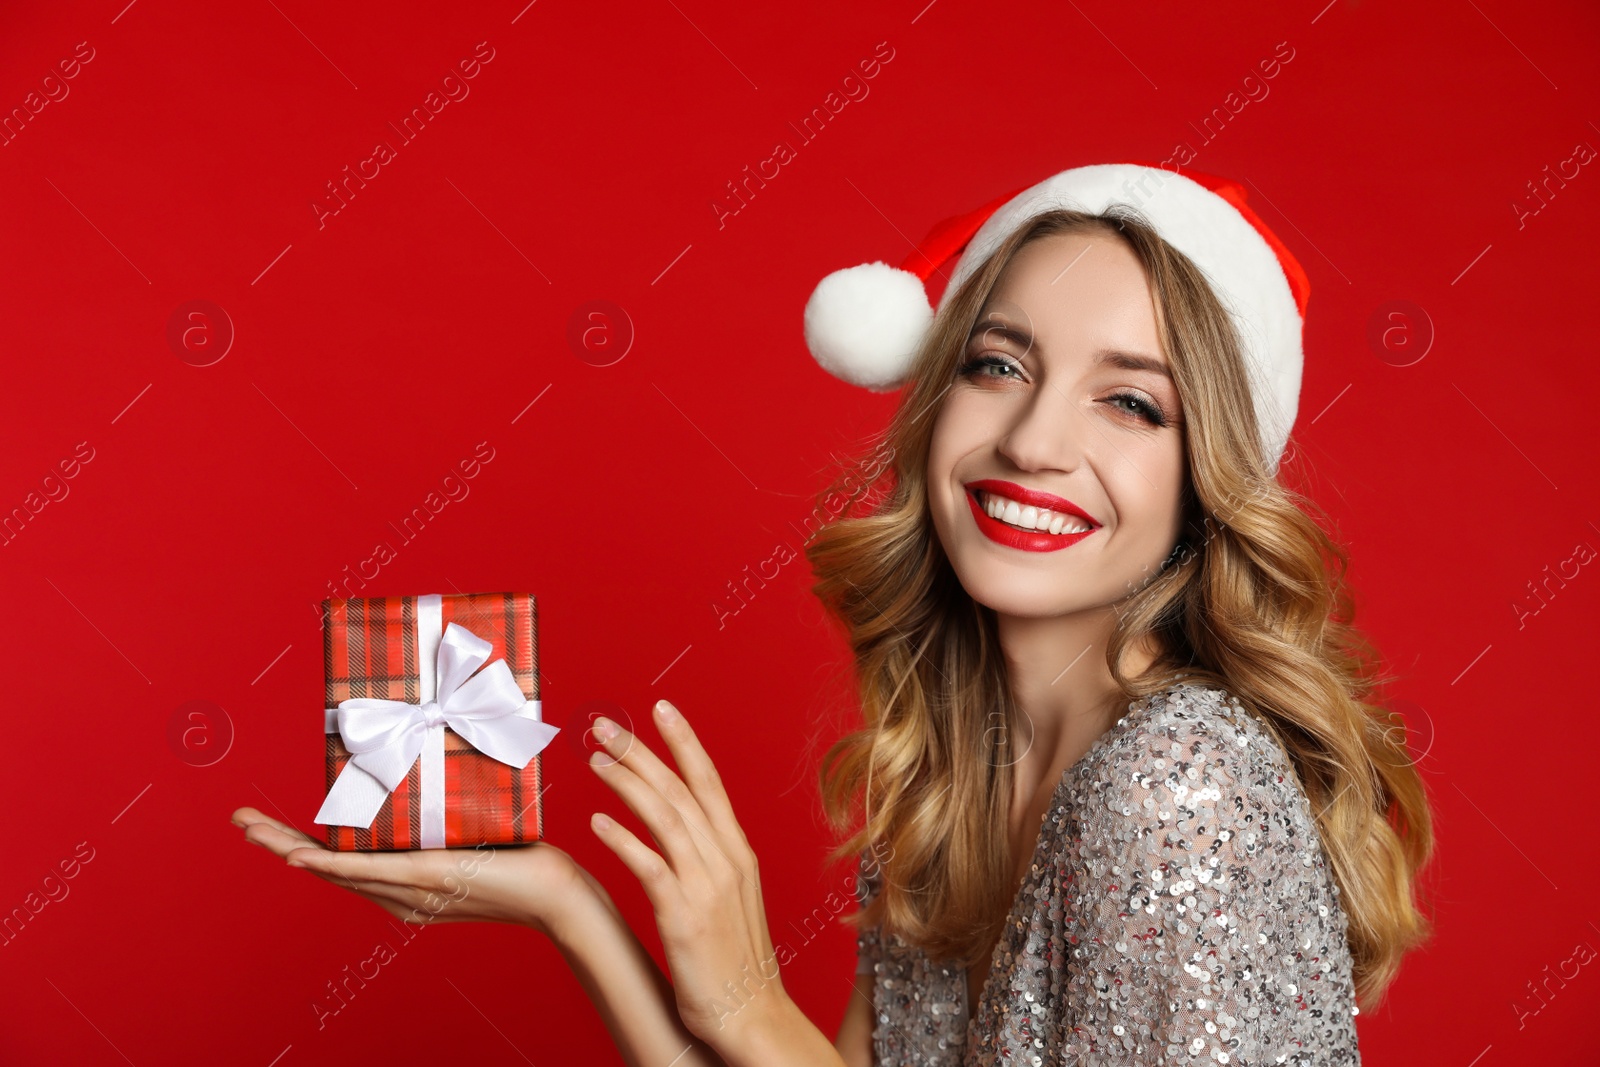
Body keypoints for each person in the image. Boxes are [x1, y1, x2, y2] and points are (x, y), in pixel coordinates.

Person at [233, 162, 1436, 1066]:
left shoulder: (1178, 782)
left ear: (1204, 481)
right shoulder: (959, 757)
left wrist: (754, 998)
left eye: (1129, 402)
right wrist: (574, 907)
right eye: (997, 364)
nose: (1030, 439)